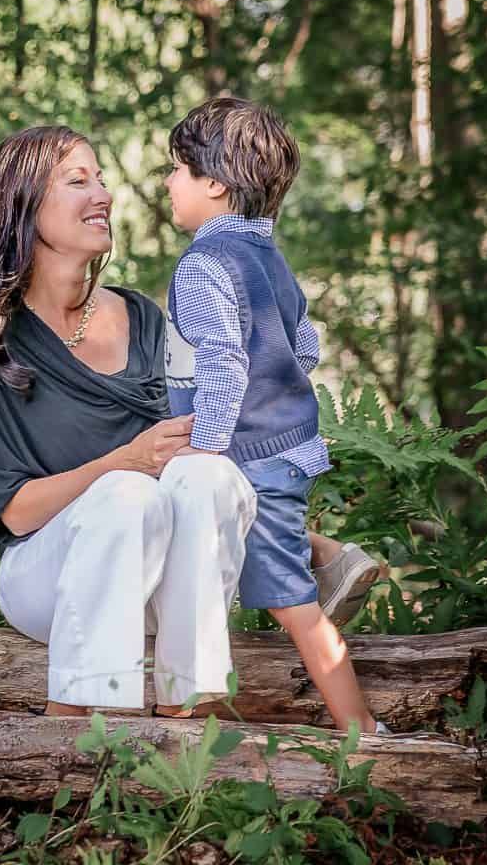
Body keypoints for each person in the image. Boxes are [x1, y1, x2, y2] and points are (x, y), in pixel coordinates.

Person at [0, 125, 259, 719]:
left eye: (101, 179)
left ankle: (185, 712)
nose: (102, 194)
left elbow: (197, 457)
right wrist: (122, 463)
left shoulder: (145, 318)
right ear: (24, 205)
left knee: (211, 475)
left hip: (164, 578)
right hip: (48, 576)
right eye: (78, 181)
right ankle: (76, 729)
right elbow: (14, 512)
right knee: (126, 493)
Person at [163, 97, 387, 735]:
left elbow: (225, 363)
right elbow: (304, 346)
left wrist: (206, 449)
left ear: (214, 184)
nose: (169, 182)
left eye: (177, 168)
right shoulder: (269, 259)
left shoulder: (203, 265)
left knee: (294, 605)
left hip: (247, 457)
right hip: (283, 448)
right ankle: (329, 555)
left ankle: (362, 731)